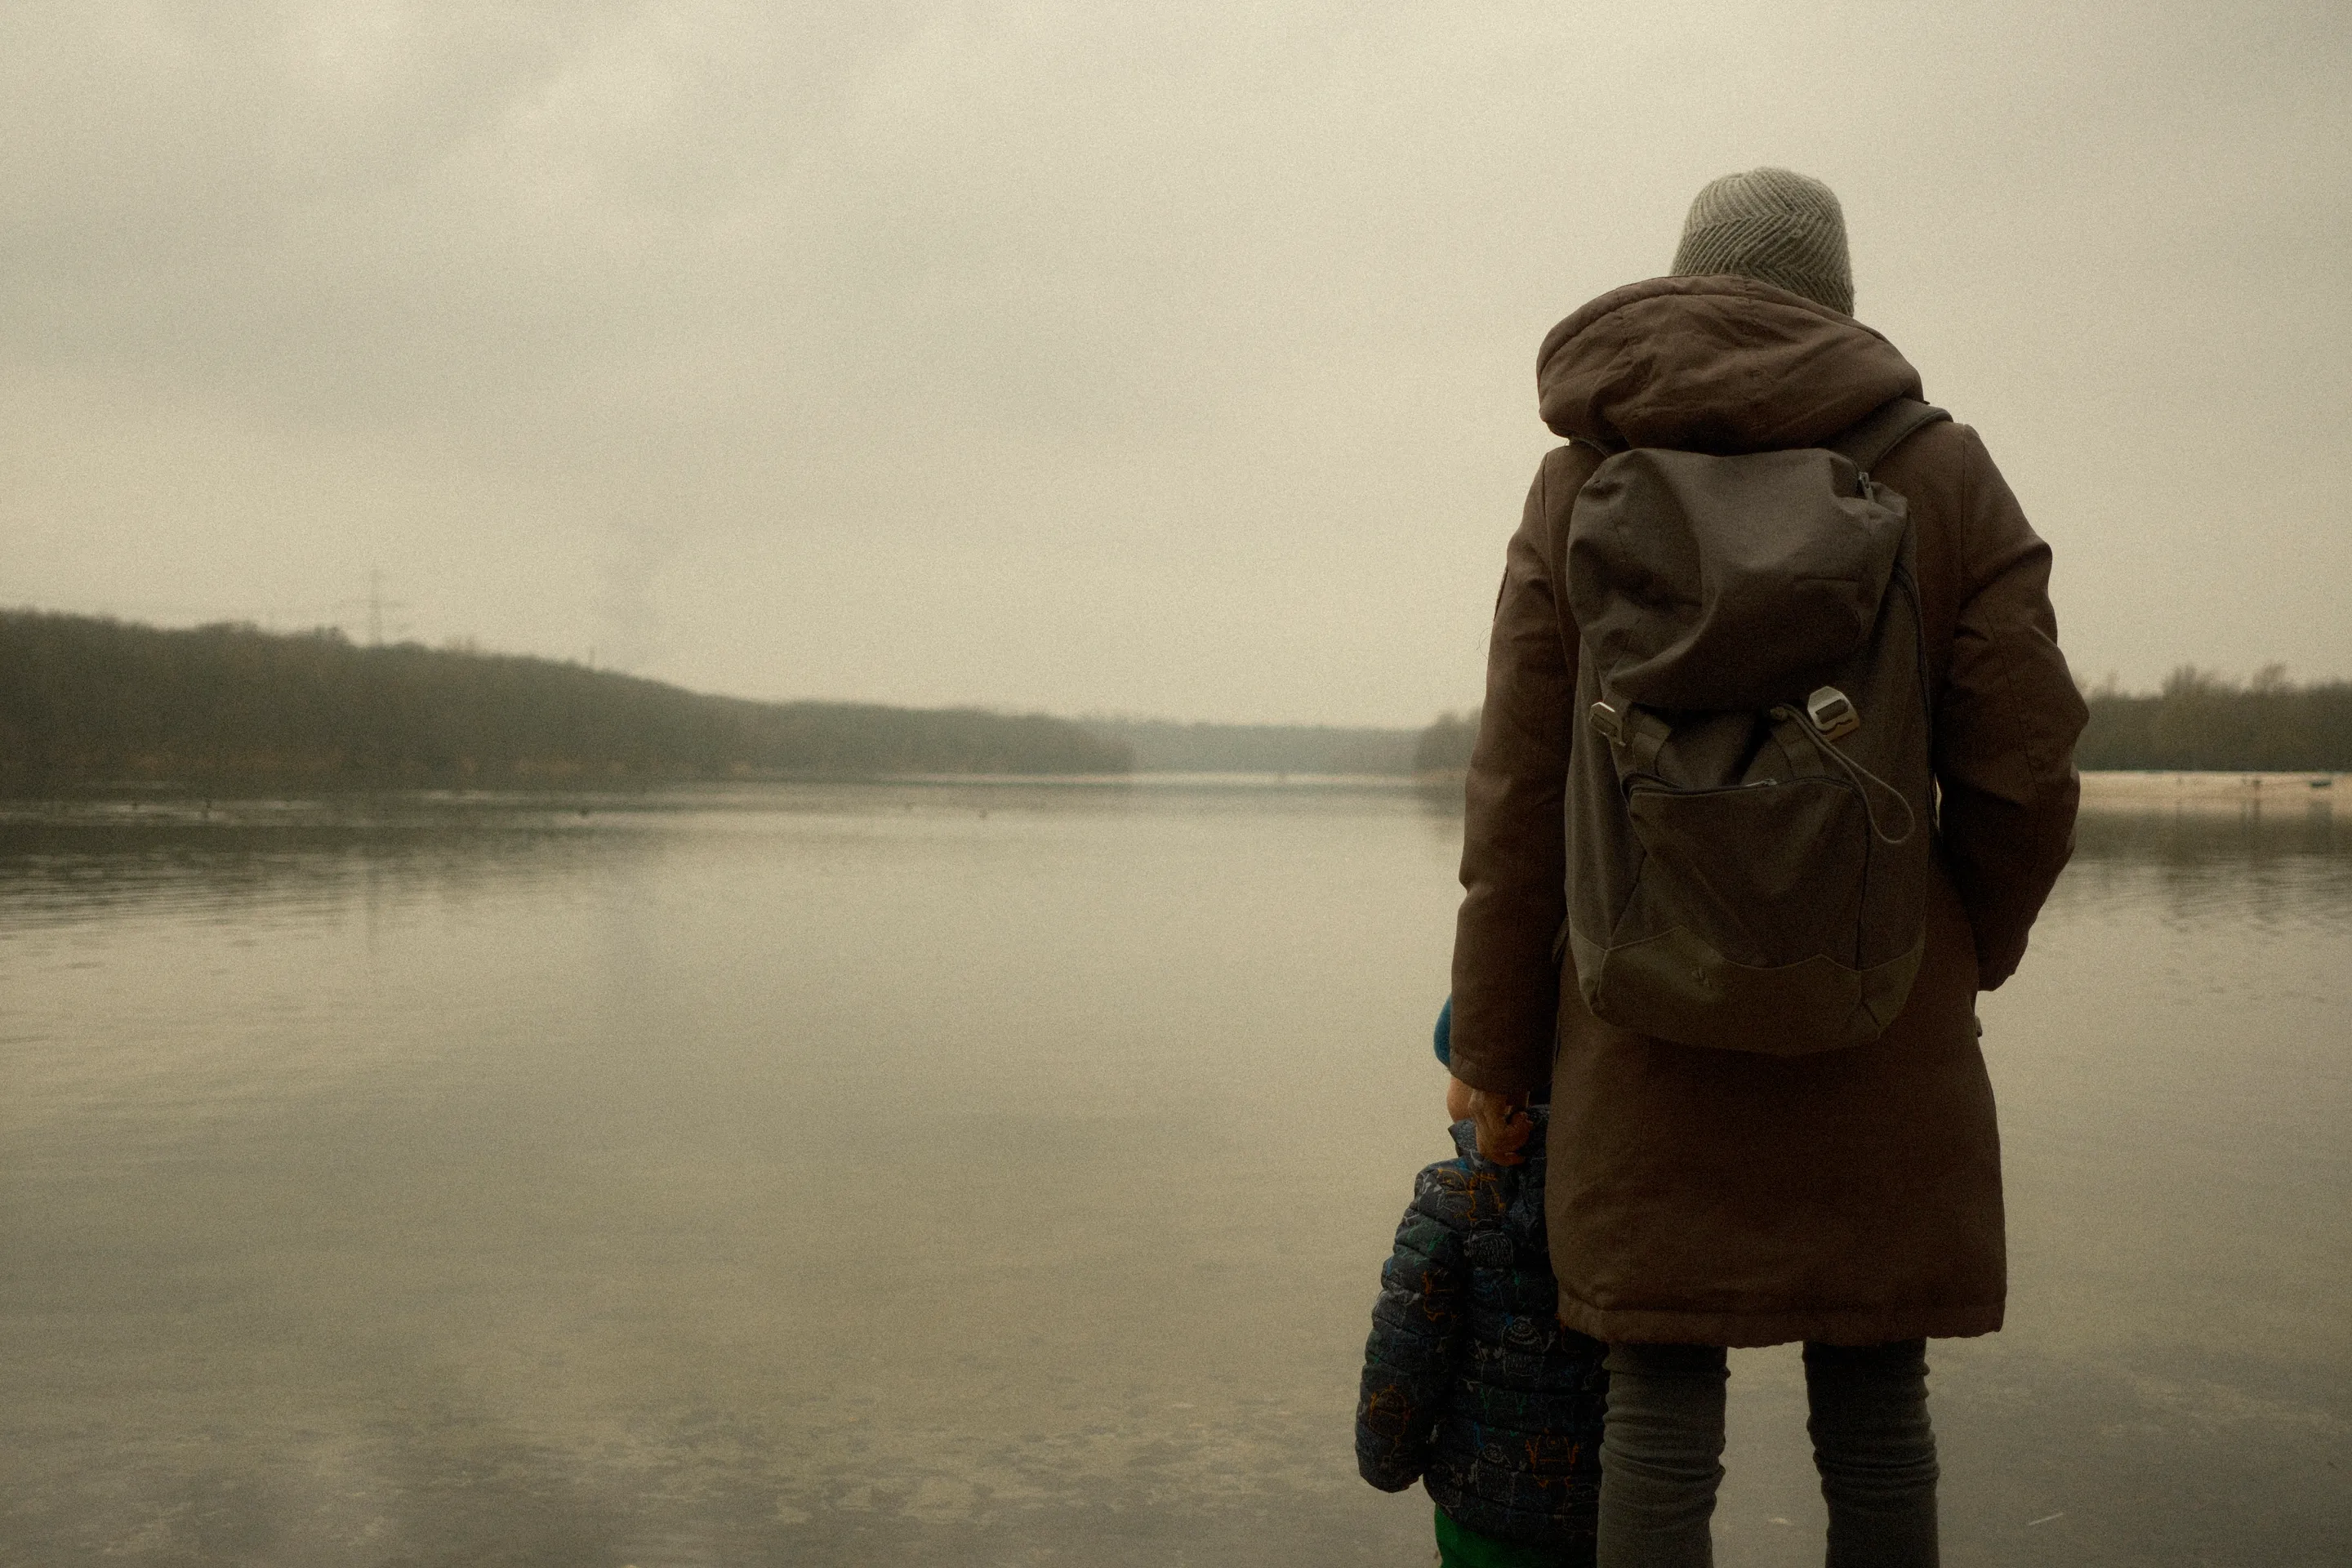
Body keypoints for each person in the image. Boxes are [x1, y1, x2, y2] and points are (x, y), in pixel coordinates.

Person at [1444, 168, 2087, 1566]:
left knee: (1657, 1418)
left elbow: (1514, 802)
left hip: (1637, 1030)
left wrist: (1494, 1056)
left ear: (1686, 287)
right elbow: (2027, 762)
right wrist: (1959, 938)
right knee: (1876, 1415)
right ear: (1839, 309)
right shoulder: (1944, 473)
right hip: (1878, 1013)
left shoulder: (1575, 485)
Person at [1356, 998, 1609, 1567]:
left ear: (1489, 1091)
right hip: (1616, 1510)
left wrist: (1386, 1460)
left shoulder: (1452, 1199)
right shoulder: (1625, 1198)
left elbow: (1406, 1351)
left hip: (1483, 1515)